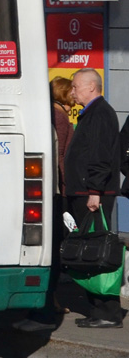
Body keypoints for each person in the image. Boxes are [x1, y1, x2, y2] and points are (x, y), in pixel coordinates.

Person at [62, 68, 123, 328]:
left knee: (97, 249)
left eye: (76, 87)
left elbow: (100, 156)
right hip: (87, 191)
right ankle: (98, 309)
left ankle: (108, 312)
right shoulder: (92, 113)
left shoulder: (100, 114)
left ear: (90, 87)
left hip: (93, 194)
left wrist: (94, 191)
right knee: (89, 249)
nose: (73, 92)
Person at [16, 77, 75, 332]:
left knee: (50, 251)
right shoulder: (57, 115)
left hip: (55, 191)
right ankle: (49, 304)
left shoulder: (54, 116)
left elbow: (60, 156)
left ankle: (46, 308)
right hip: (56, 190)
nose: (74, 94)